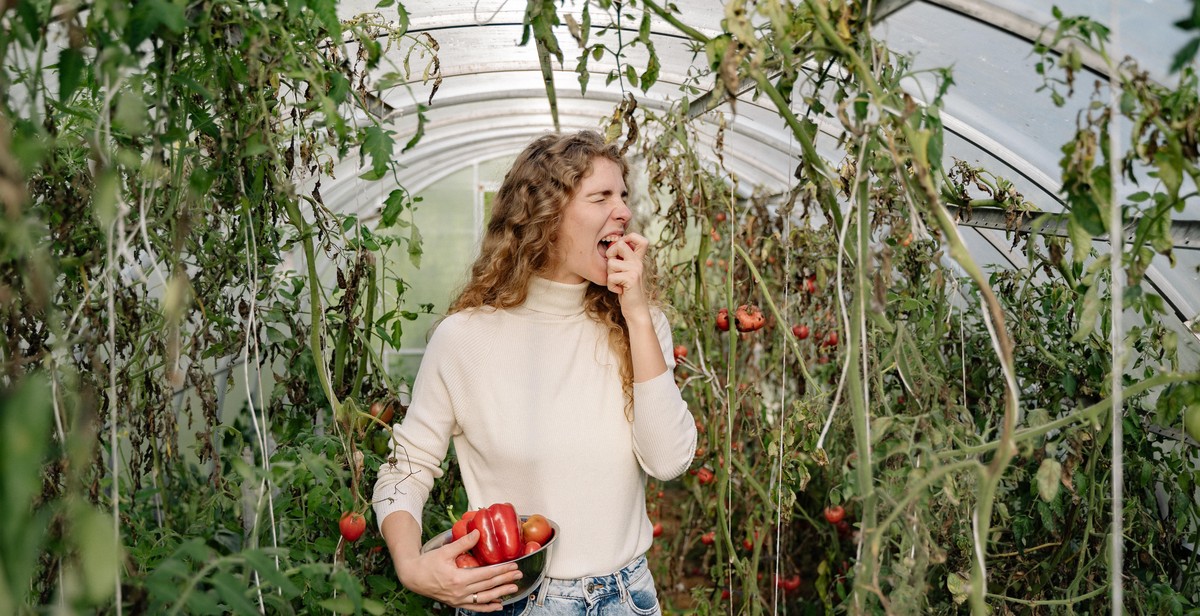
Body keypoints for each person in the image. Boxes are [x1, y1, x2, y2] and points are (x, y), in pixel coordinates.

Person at [372, 129, 697, 615]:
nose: (624, 211)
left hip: (627, 598)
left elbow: (668, 461)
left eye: (623, 196)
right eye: (601, 196)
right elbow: (408, 466)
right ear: (545, 216)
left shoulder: (638, 326)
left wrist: (639, 317)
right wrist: (410, 563)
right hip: (517, 600)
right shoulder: (465, 339)